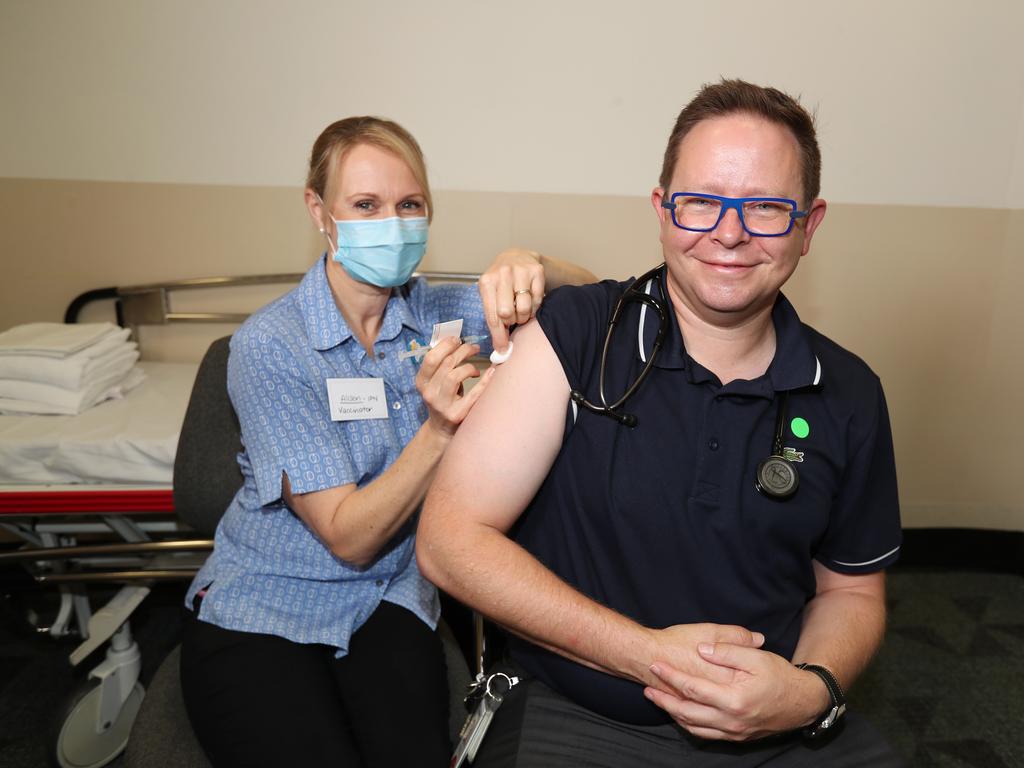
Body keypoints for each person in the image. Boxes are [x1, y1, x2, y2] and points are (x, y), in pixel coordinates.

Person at [417, 80, 904, 767]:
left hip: (774, 727)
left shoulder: (848, 392)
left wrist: (810, 691)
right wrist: (647, 656)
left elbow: (851, 591)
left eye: (765, 207)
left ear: (809, 224)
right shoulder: (580, 335)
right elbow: (448, 540)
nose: (728, 233)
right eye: (701, 202)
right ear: (662, 210)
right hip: (581, 711)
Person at [180, 115, 596, 768]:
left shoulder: (437, 316)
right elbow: (349, 536)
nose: (391, 223)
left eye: (409, 205)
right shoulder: (271, 346)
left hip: (391, 601)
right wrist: (440, 430)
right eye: (365, 205)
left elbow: (596, 302)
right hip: (268, 607)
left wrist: (533, 261)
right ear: (320, 211)